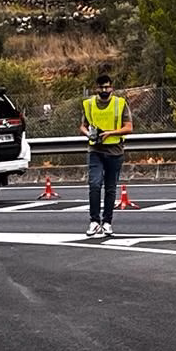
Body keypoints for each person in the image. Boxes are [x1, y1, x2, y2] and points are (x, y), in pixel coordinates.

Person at [79, 74, 133, 237]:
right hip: (96, 150)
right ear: (96, 88)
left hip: (115, 151)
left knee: (110, 188)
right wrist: (89, 134)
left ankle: (107, 222)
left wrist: (111, 133)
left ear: (112, 88)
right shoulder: (88, 105)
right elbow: (82, 126)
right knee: (94, 184)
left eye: (107, 87)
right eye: (101, 87)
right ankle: (94, 221)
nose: (104, 90)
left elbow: (129, 127)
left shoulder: (120, 103)